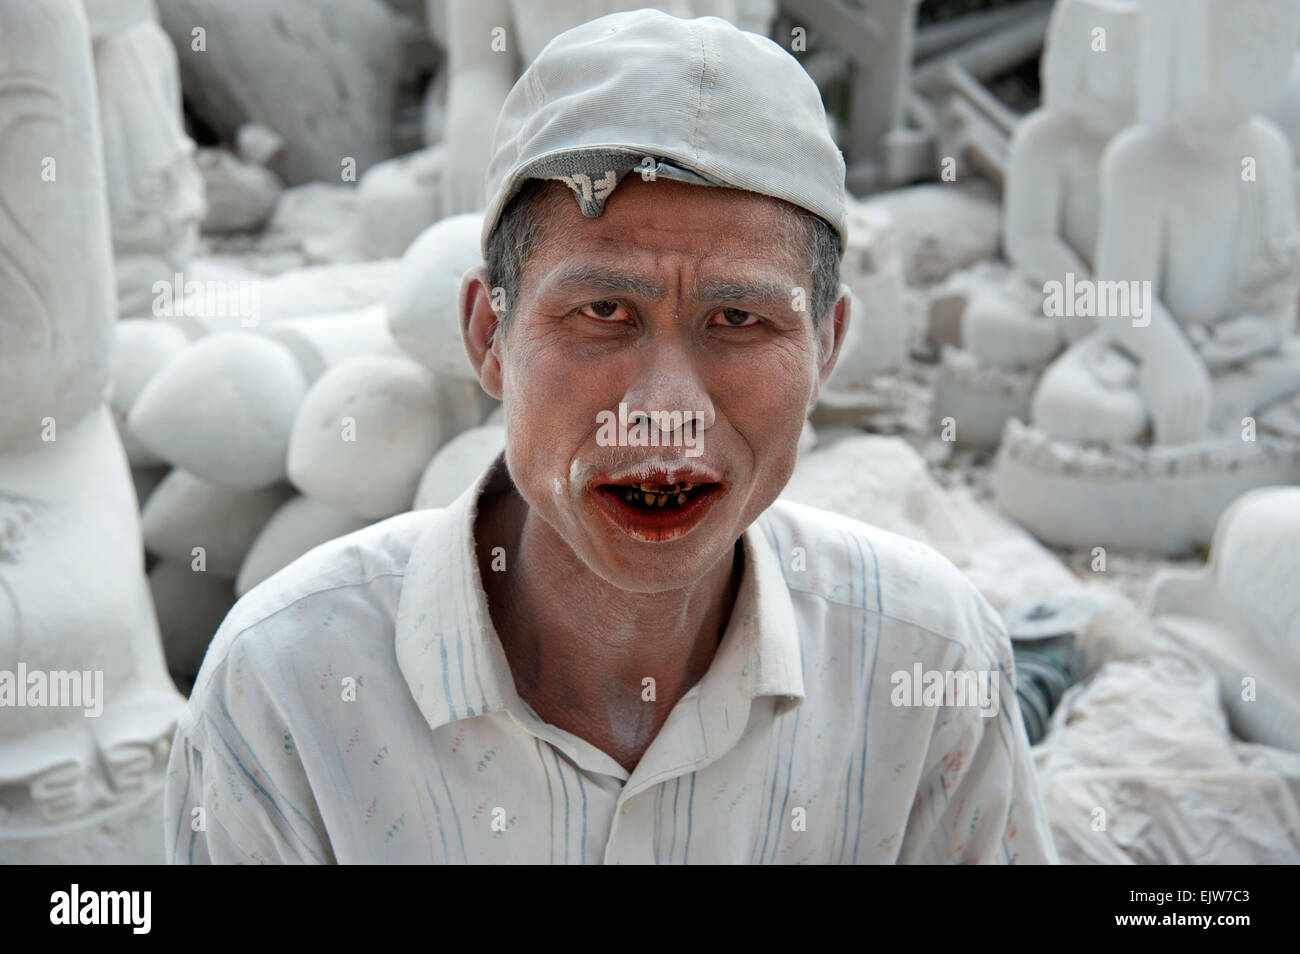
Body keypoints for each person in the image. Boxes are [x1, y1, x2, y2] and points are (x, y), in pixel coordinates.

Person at [164, 9, 1057, 864]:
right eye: (603, 311)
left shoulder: (927, 660)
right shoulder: (287, 688)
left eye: (738, 318)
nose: (664, 410)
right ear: (487, 336)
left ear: (827, 347)